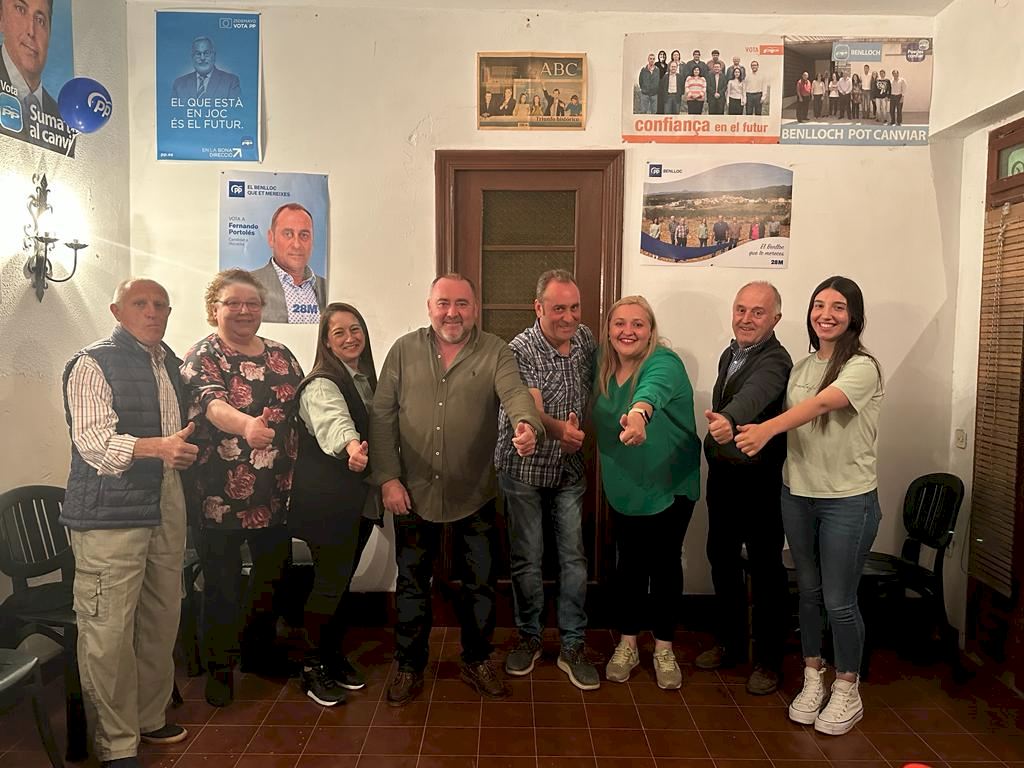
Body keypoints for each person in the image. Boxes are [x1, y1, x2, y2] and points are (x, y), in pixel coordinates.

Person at [370, 274, 544, 707]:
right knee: (411, 584)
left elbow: (516, 395)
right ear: (429, 307)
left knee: (480, 585)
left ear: (475, 308)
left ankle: (477, 659)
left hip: (475, 491)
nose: (453, 313)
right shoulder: (403, 350)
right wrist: (388, 478)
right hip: (411, 492)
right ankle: (409, 665)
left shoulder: (496, 351)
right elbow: (381, 415)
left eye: (462, 303)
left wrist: (527, 425)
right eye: (443, 303)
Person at [735, 276, 883, 736]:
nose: (826, 314)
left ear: (853, 316)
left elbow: (822, 405)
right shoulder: (800, 366)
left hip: (848, 500)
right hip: (798, 495)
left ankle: (847, 687)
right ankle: (813, 676)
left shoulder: (862, 366)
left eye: (838, 307)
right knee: (810, 593)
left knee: (840, 601)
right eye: (819, 305)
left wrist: (767, 430)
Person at [61, 279, 195, 768]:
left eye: (161, 304)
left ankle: (149, 717)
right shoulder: (92, 362)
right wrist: (158, 447)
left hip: (165, 498)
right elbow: (94, 442)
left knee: (161, 614)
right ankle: (117, 743)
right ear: (117, 311)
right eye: (141, 303)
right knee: (109, 628)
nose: (153, 311)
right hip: (109, 509)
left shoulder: (171, 364)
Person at [181, 269, 304, 708]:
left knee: (272, 575)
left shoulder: (281, 354)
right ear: (214, 308)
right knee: (222, 585)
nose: (244, 310)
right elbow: (212, 405)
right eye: (233, 302)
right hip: (220, 495)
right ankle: (219, 669)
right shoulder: (203, 354)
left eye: (252, 303)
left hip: (276, 493)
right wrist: (248, 425)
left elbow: (305, 405)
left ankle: (258, 651)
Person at [498, 270, 599, 690]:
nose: (569, 317)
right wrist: (560, 431)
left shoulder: (586, 339)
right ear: (538, 307)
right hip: (524, 469)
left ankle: (573, 645)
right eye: (559, 308)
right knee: (528, 557)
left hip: (569, 470)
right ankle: (530, 637)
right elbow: (529, 408)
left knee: (573, 557)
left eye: (574, 307)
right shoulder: (519, 350)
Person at [594, 296, 701, 691]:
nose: (628, 331)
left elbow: (650, 393)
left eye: (638, 324)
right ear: (608, 330)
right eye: (620, 323)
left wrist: (639, 416)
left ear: (651, 331)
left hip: (669, 483)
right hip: (624, 482)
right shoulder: (601, 364)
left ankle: (664, 647)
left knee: (664, 563)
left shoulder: (664, 362)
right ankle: (627, 644)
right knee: (629, 565)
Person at [698, 282, 792, 696]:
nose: (746, 319)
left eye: (758, 312)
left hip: (759, 481)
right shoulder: (730, 353)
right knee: (720, 557)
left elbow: (756, 394)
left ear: (775, 319)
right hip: (724, 478)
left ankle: (769, 662)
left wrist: (729, 419)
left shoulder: (776, 360)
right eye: (741, 309)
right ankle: (731, 644)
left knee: (766, 568)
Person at [290, 302, 382, 706]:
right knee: (329, 585)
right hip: (326, 504)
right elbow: (334, 423)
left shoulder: (365, 379)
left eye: (355, 328)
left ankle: (331, 656)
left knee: (341, 582)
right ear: (326, 342)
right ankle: (312, 667)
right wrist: (351, 448)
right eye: (339, 332)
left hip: (356, 501)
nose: (350, 337)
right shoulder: (321, 384)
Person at [0, 0, 74, 148]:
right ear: (1, 17)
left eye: (40, 20)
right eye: (21, 10)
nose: (31, 31)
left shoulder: (64, 125)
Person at [250, 203, 327, 325]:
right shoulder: (248, 284)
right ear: (271, 238)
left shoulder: (326, 287)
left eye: (304, 235)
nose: (297, 244)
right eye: (288, 234)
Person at [171, 36, 241, 100]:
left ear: (214, 55)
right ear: (192, 57)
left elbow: (236, 109)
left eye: (206, 53)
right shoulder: (179, 84)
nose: (202, 58)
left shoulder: (231, 82)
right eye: (198, 54)